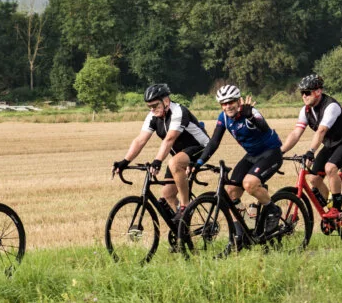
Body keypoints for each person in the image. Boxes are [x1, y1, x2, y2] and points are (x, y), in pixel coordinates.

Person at [112, 83, 209, 222]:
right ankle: (183, 229)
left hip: (201, 147)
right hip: (180, 153)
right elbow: (140, 140)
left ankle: (185, 206)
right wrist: (124, 161)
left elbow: (169, 139)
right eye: (149, 107)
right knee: (167, 193)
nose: (153, 109)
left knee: (175, 162)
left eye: (155, 105)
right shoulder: (152, 116)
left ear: (166, 101)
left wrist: (157, 161)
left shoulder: (178, 112)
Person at [195, 84, 283, 234]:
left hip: (271, 153)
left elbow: (264, 128)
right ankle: (245, 231)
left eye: (231, 102)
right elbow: (214, 142)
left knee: (250, 184)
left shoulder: (250, 111)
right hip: (252, 155)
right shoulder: (223, 117)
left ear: (238, 101)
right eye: (224, 103)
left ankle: (273, 209)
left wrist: (250, 116)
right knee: (231, 192)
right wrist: (199, 162)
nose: (228, 106)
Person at [279, 74, 342, 217]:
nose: (304, 96)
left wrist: (311, 151)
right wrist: (280, 151)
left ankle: (336, 209)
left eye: (307, 92)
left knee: (330, 168)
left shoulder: (331, 106)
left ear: (318, 92)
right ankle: (332, 208)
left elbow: (321, 130)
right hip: (331, 144)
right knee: (313, 178)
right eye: (302, 93)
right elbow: (296, 133)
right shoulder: (305, 110)